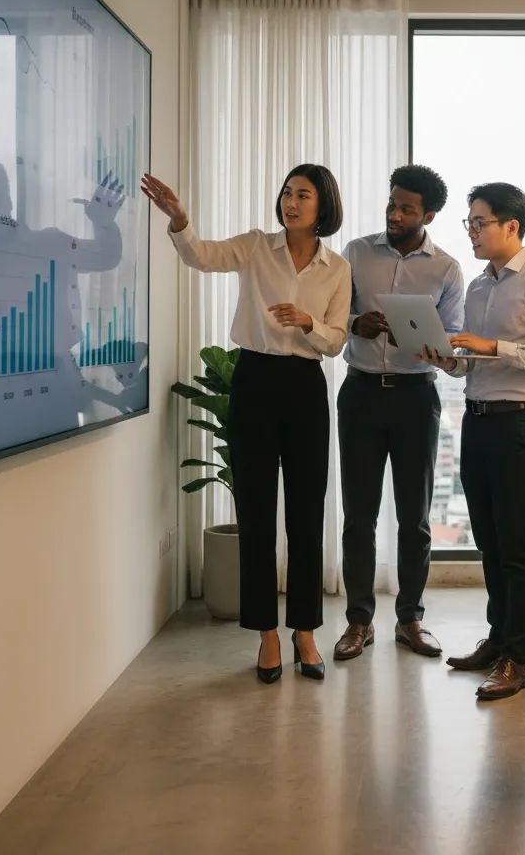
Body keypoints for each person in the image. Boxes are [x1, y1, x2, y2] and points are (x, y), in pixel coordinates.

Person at [141, 166, 351, 685]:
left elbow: (338, 339)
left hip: (305, 387)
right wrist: (180, 218)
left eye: (303, 194)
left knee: (305, 513)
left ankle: (304, 629)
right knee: (256, 512)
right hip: (254, 381)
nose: (291, 201)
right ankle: (267, 634)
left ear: (323, 205)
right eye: (286, 192)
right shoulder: (257, 247)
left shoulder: (337, 268)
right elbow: (201, 255)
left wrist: (309, 324)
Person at [423, 182, 525, 701]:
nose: (471, 232)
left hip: (518, 424)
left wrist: (493, 345)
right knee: (487, 540)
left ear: (512, 225)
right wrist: (449, 359)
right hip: (478, 420)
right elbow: (474, 364)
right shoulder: (480, 288)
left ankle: (518, 657)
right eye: (468, 223)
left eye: (478, 223)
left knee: (515, 546)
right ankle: (498, 639)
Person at [335, 165, 465, 662]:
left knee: (415, 519)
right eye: (392, 204)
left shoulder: (447, 269)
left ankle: (410, 618)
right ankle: (358, 622)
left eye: (406, 208)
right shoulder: (356, 253)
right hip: (361, 393)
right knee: (358, 516)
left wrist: (434, 348)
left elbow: (455, 348)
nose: (394, 213)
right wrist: (355, 323)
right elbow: (332, 316)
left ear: (428, 215)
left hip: (416, 397)